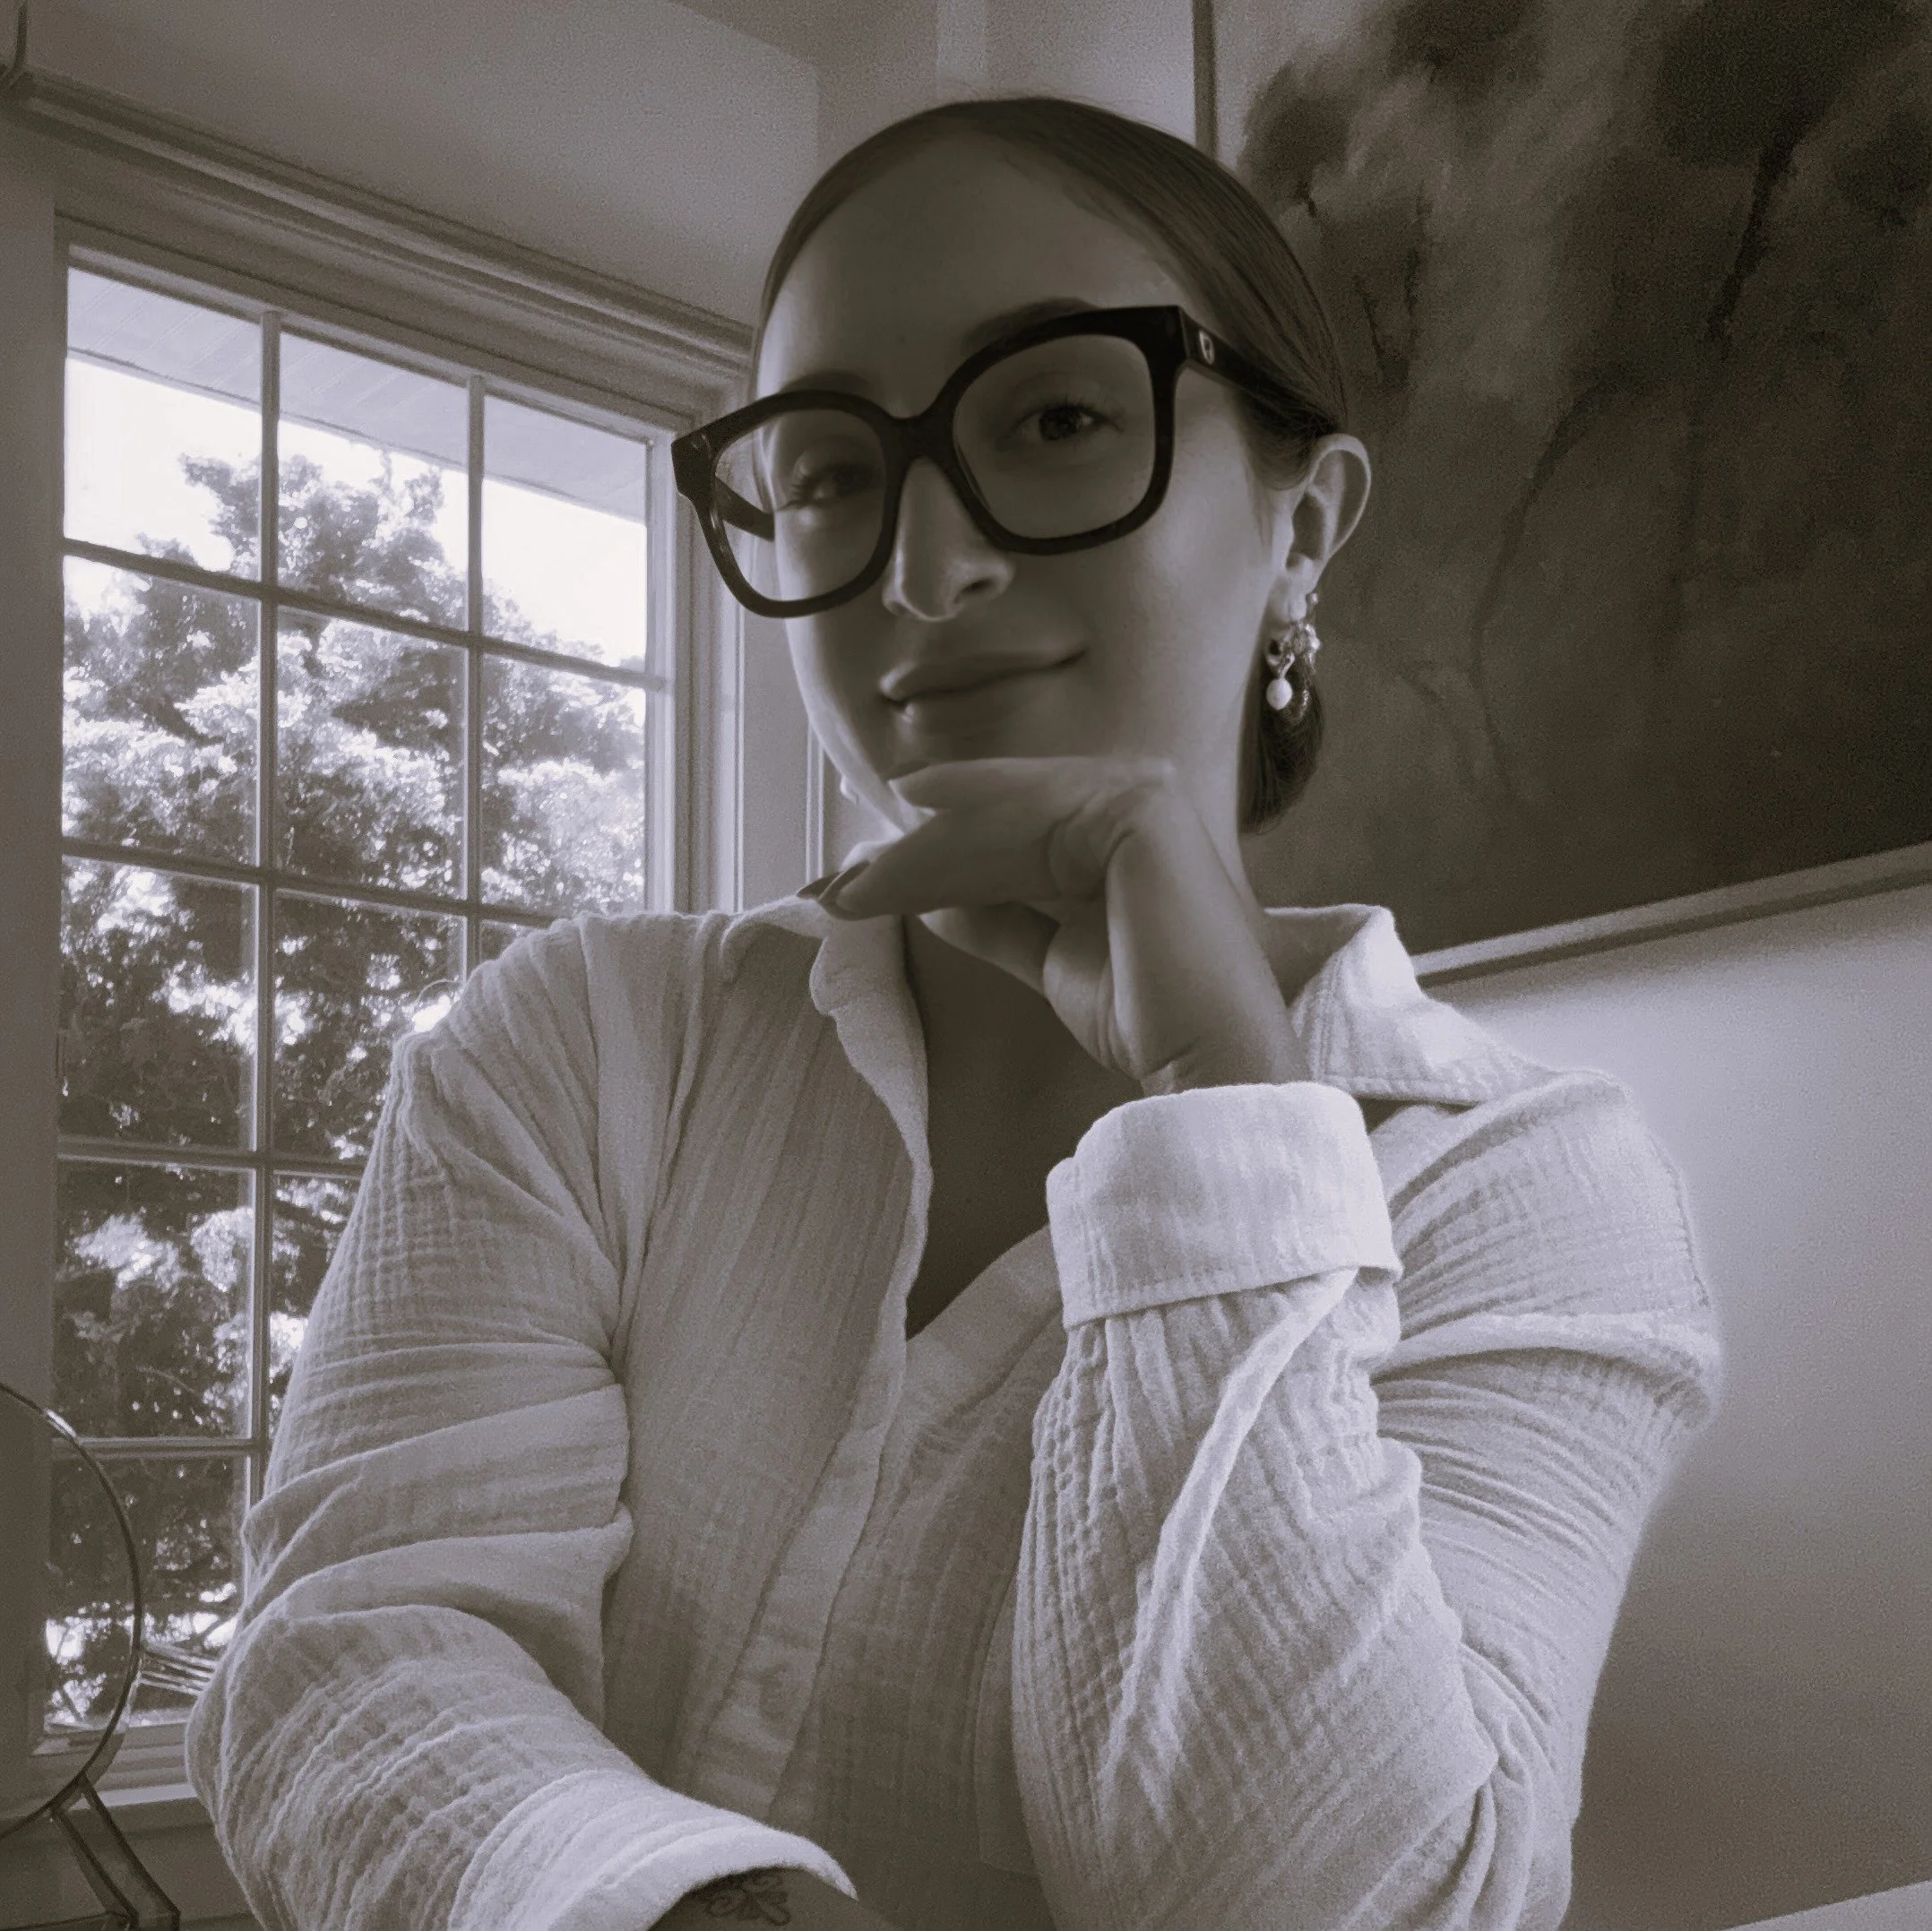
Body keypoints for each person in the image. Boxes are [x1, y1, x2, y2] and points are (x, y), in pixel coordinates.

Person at [185, 96, 1721, 1931]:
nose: (921, 571)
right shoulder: (589, 1039)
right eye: (830, 474)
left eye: (1056, 419)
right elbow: (356, 1656)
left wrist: (1220, 1117)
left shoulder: (1523, 1188)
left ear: (1303, 524)